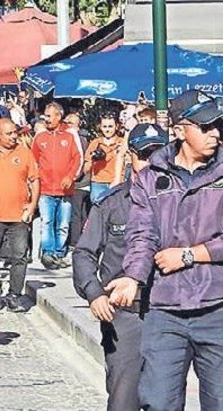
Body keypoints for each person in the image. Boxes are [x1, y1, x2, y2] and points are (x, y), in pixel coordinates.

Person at [108, 90, 223, 410]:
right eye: (205, 126)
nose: (215, 133)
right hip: (164, 308)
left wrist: (191, 254)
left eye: (218, 124)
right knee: (158, 402)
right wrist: (133, 277)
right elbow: (141, 235)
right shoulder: (150, 178)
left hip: (217, 306)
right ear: (180, 130)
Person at [72, 123, 168, 411]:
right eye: (144, 155)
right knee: (124, 398)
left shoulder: (180, 200)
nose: (150, 162)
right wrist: (94, 293)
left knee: (164, 399)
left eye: (158, 154)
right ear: (130, 157)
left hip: (168, 313)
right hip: (126, 316)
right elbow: (84, 253)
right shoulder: (111, 204)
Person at [0, 118, 39, 312]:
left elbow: (34, 180)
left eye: (15, 132)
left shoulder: (24, 152)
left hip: (19, 215)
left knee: (19, 256)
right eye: (9, 133)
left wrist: (32, 206)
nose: (14, 136)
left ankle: (14, 294)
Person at [32, 102, 80, 269]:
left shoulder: (69, 136)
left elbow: (76, 159)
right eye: (45, 116)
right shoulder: (40, 138)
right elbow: (34, 162)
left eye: (50, 116)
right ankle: (48, 253)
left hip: (65, 189)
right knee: (47, 222)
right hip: (45, 189)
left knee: (63, 224)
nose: (47, 119)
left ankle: (59, 253)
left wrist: (70, 176)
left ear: (59, 116)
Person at [84, 113, 123, 203]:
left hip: (117, 181)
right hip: (98, 182)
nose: (107, 130)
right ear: (100, 127)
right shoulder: (95, 143)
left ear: (116, 127)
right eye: (105, 126)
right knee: (99, 209)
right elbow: (85, 170)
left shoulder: (122, 142)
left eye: (110, 126)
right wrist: (93, 159)